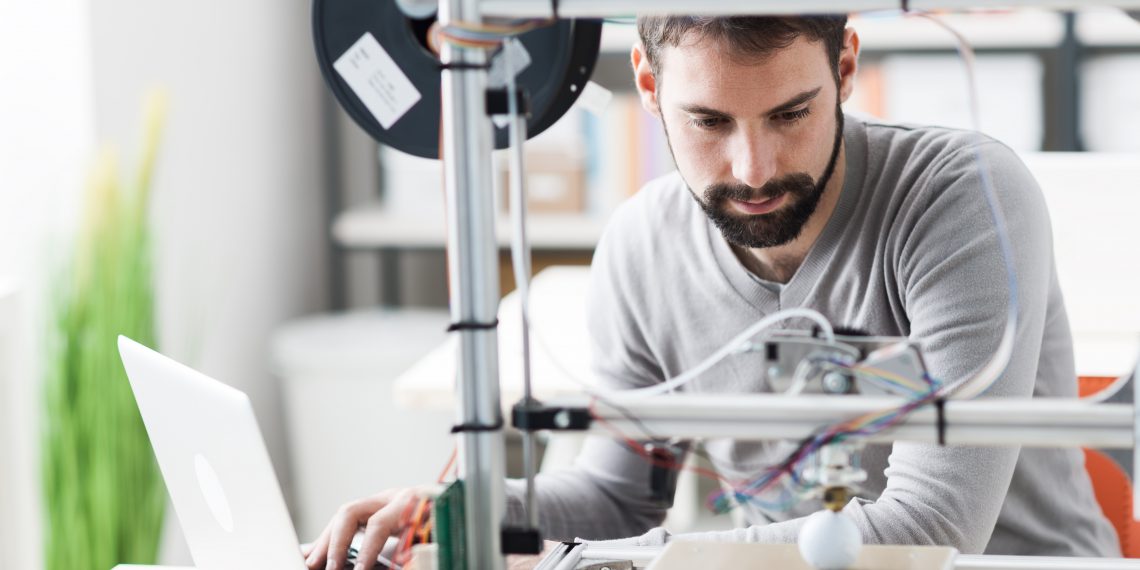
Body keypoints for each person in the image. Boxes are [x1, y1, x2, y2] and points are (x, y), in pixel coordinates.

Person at [305, 14, 1120, 570]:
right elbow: (617, 496)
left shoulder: (960, 196)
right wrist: (461, 510)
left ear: (844, 68)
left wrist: (655, 562)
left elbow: (927, 533)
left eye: (791, 113)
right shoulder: (641, 243)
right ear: (649, 85)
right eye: (709, 122)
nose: (753, 169)